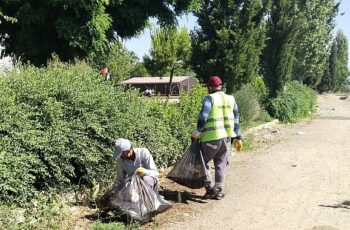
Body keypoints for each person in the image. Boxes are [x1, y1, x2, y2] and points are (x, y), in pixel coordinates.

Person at [191, 76, 242, 200]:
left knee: (201, 163)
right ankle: (218, 191)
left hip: (211, 138)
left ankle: (210, 189)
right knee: (221, 165)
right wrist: (238, 137)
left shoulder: (210, 98)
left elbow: (203, 116)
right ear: (221, 86)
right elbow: (236, 120)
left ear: (209, 87)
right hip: (227, 139)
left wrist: (197, 131)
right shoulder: (231, 99)